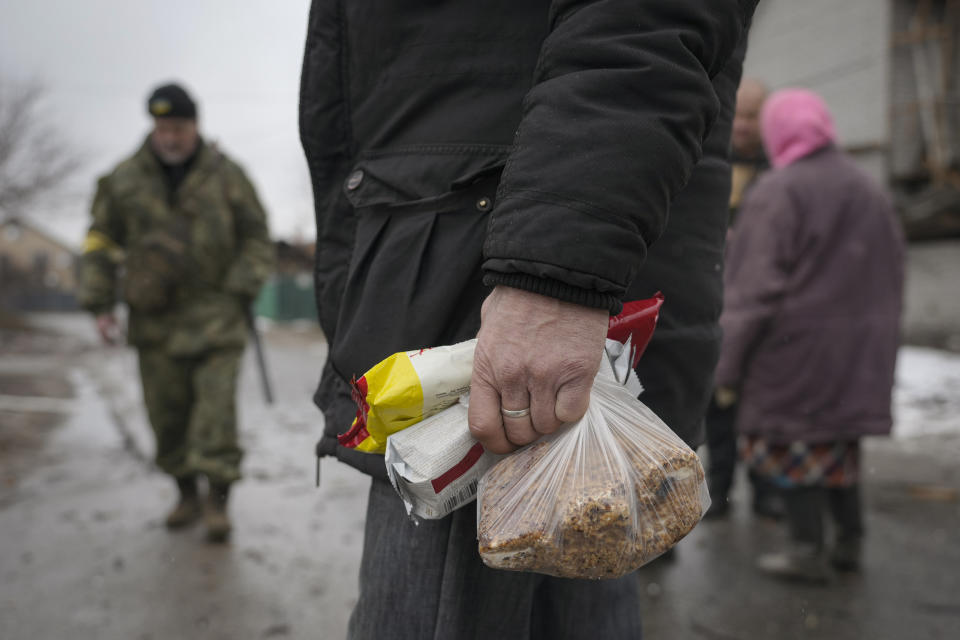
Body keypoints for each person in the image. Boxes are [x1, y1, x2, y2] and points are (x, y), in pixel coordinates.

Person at [301, 2, 757, 637]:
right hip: (507, 273)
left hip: (500, 295)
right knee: (583, 554)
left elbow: (643, 21)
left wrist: (553, 277)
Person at [714, 89, 905, 582]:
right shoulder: (866, 187)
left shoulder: (778, 191)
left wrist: (726, 364)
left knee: (794, 445)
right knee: (838, 447)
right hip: (859, 350)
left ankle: (805, 550)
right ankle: (849, 544)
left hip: (795, 351)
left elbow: (751, 291)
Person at [79, 83, 274, 543]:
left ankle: (218, 500)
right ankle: (185, 492)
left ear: (196, 126)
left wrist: (241, 285)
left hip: (216, 317)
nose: (170, 137)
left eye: (179, 128)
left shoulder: (227, 176)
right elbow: (99, 242)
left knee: (215, 418)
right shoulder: (122, 180)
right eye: (162, 127)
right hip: (155, 323)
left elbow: (257, 237)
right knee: (166, 419)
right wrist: (100, 303)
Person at [703, 77, 783, 520]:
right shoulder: (712, 163)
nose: (744, 125)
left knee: (761, 405)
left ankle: (765, 489)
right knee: (717, 405)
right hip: (718, 301)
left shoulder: (779, 169)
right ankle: (721, 487)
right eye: (739, 113)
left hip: (763, 308)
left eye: (754, 115)